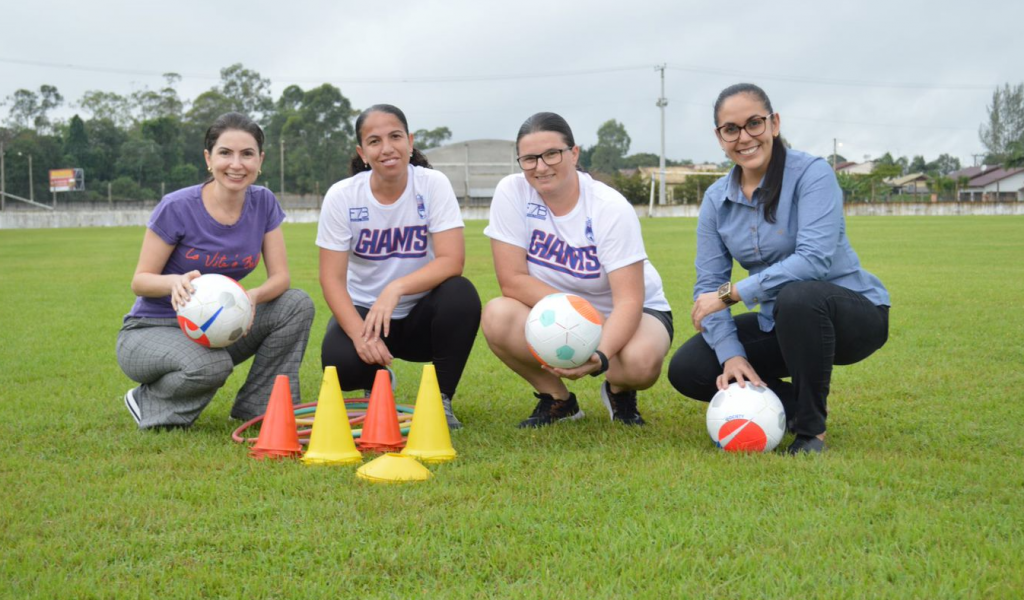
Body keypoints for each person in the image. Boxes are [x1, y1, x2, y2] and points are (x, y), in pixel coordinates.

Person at [667, 83, 890, 454]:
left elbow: (814, 260)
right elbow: (708, 283)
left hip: (851, 316)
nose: (744, 137)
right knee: (690, 368)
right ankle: (794, 403)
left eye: (754, 123)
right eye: (731, 129)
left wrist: (733, 293)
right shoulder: (715, 200)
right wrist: (731, 354)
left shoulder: (812, 174)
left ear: (774, 124)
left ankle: (810, 432)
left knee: (798, 296)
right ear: (720, 138)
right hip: (782, 321)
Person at [116, 112, 315, 429]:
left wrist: (252, 297)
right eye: (225, 153)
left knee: (296, 303)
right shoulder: (177, 206)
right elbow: (140, 282)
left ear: (260, 160)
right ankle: (147, 402)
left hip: (220, 323)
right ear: (209, 158)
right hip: (151, 330)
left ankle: (261, 408)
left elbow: (281, 278)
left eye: (247, 154)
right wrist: (174, 283)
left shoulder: (263, 202)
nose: (236, 164)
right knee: (212, 365)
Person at [482, 112, 673, 428]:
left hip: (628, 309)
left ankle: (619, 390)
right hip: (560, 307)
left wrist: (600, 355)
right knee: (497, 316)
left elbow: (628, 300)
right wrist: (574, 315)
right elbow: (512, 280)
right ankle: (558, 399)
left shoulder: (609, 207)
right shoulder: (512, 192)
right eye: (529, 159)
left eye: (551, 154)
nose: (541, 167)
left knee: (640, 363)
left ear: (573, 153)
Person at [317, 104, 480, 430]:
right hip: (368, 316)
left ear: (410, 141)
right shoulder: (343, 196)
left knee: (461, 295)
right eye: (375, 141)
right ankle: (376, 383)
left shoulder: (432, 184)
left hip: (422, 314)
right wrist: (359, 336)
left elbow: (452, 261)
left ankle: (441, 401)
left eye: (395, 137)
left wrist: (396, 288)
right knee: (339, 363)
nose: (387, 148)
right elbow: (331, 279)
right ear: (363, 153)